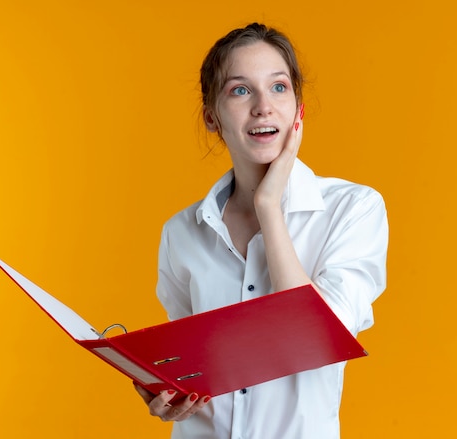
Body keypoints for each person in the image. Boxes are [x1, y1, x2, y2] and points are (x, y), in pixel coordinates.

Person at [134, 22, 388, 439]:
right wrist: (170, 395)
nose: (263, 107)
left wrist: (268, 207)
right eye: (240, 90)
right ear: (212, 118)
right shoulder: (181, 232)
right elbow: (193, 371)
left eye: (278, 87)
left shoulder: (353, 209)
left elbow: (320, 340)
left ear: (298, 107)